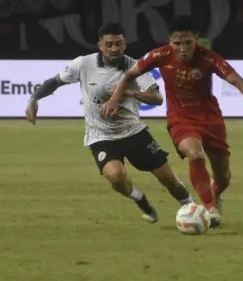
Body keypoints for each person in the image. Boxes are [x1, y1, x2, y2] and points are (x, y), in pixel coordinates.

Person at [100, 16, 243, 227]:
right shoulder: (160, 55)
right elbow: (129, 74)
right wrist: (115, 98)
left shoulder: (208, 58)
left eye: (187, 42)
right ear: (170, 41)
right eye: (177, 43)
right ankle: (208, 208)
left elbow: (235, 79)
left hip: (211, 120)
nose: (182, 48)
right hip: (180, 119)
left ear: (196, 39)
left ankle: (214, 195)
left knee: (223, 177)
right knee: (194, 153)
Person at [25, 23, 194, 223]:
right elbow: (55, 81)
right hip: (101, 136)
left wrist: (125, 91)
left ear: (125, 45)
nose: (114, 48)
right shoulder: (83, 64)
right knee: (115, 176)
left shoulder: (138, 66)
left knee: (168, 179)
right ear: (100, 45)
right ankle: (139, 198)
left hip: (134, 133)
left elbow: (156, 98)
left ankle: (191, 208)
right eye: (109, 44)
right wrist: (33, 99)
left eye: (118, 44)